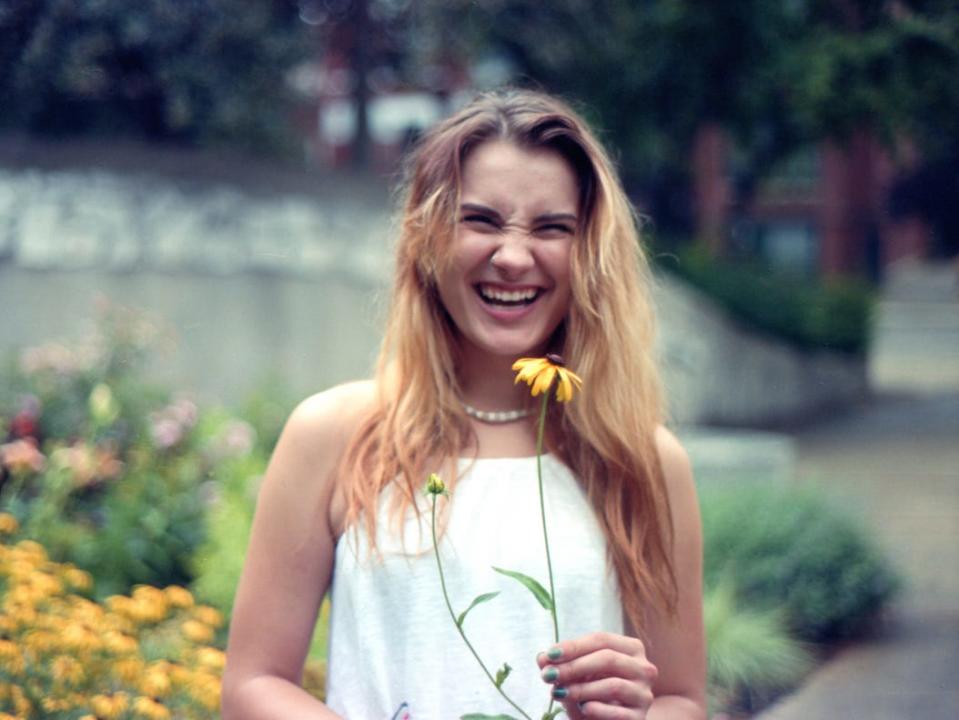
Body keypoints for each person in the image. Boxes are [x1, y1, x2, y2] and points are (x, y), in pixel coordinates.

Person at [221, 88, 706, 719]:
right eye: (480, 220)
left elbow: (684, 701)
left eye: (551, 227)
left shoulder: (644, 460)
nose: (512, 256)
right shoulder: (333, 435)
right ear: (425, 238)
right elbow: (252, 685)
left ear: (589, 254)